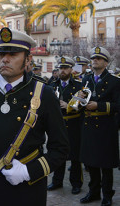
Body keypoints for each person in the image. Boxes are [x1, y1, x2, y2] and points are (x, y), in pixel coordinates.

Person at [0, 27, 69, 206]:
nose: (5, 59)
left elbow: (60, 148)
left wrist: (29, 171)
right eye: (2, 53)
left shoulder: (44, 93)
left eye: (13, 54)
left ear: (28, 59)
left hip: (26, 186)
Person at [79, 47, 120, 206]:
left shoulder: (115, 81)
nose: (94, 60)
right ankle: (93, 192)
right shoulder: (86, 79)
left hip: (105, 127)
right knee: (91, 162)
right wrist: (79, 100)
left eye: (98, 58)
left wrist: (99, 105)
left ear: (105, 62)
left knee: (106, 164)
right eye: (93, 58)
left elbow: (118, 105)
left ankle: (107, 195)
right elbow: (81, 102)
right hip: (89, 126)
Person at [47, 56, 83, 194]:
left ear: (71, 69)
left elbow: (82, 106)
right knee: (57, 154)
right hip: (57, 124)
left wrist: (68, 105)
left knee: (75, 156)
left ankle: (76, 183)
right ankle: (57, 181)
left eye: (65, 68)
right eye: (60, 68)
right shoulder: (52, 86)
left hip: (73, 124)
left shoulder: (79, 86)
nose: (62, 71)